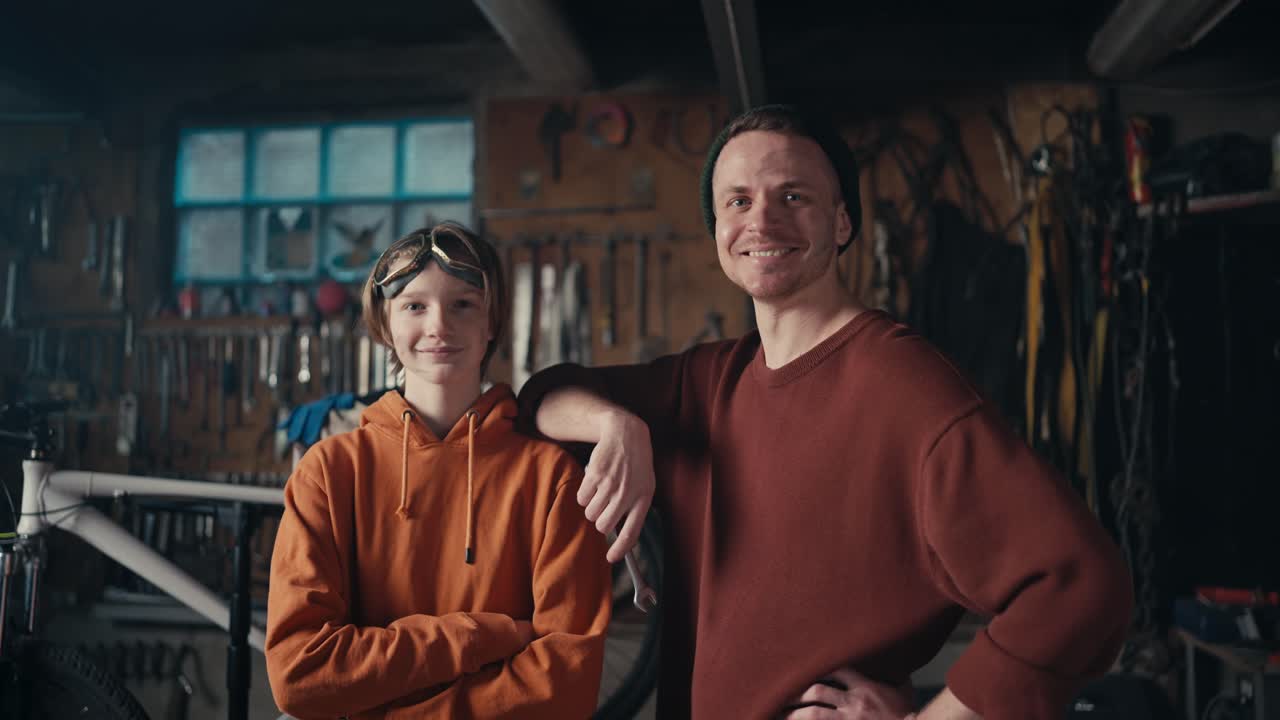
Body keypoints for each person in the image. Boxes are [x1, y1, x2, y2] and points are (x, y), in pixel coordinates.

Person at [517, 105, 1134, 720]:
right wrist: (615, 425)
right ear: (716, 233)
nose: (762, 219)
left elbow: (1079, 585)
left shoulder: (907, 390)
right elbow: (542, 394)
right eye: (737, 201)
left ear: (842, 223)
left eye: (793, 195)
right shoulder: (706, 383)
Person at [266, 222, 611, 719]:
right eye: (414, 305)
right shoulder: (329, 472)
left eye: (463, 305)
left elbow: (566, 684)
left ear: (491, 322)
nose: (439, 327)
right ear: (385, 323)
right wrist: (484, 636)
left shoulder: (552, 479)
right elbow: (299, 673)